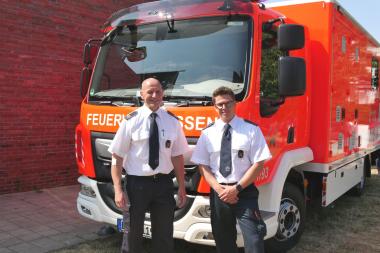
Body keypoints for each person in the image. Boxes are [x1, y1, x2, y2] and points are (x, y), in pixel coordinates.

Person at [108, 77, 188, 253]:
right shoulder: (130, 121)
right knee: (132, 234)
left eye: (158, 91)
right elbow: (117, 157)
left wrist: (182, 187)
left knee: (164, 234)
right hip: (136, 185)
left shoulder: (172, 121)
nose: (154, 95)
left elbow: (177, 156)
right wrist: (118, 190)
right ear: (141, 94)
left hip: (164, 184)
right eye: (149, 92)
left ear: (163, 94)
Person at [191, 86, 272, 253]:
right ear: (214, 106)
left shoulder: (251, 130)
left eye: (228, 103)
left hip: (244, 192)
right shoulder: (207, 133)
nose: (224, 107)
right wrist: (220, 189)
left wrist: (237, 189)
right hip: (219, 193)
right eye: (219, 104)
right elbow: (203, 165)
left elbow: (258, 163)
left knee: (254, 239)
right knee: (223, 240)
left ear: (235, 104)